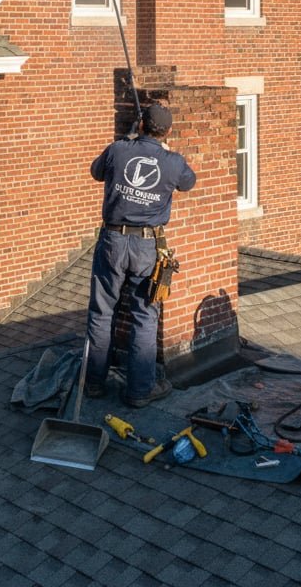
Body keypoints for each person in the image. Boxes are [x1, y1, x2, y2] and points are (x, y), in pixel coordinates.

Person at [85, 102, 196, 408]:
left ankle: (93, 383)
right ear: (168, 131)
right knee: (144, 315)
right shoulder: (172, 161)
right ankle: (139, 391)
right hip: (148, 246)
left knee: (102, 311)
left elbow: (96, 172)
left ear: (141, 125)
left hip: (112, 241)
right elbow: (189, 182)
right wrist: (163, 153)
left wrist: (128, 139)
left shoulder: (118, 150)